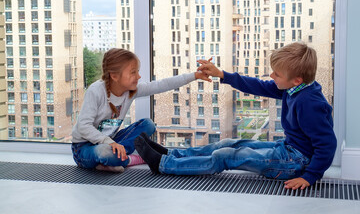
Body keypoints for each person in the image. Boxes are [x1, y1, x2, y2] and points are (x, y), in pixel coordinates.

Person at [135, 42, 337, 190]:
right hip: (288, 149)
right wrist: (222, 74)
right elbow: (257, 85)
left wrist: (310, 176)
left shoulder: (309, 103)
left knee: (226, 156)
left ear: (296, 80)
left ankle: (163, 165)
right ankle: (172, 154)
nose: (271, 76)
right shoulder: (295, 88)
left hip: (295, 164)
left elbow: (327, 144)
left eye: (276, 74)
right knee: (228, 143)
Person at [71, 48, 211, 172]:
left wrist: (195, 76)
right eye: (133, 72)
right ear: (114, 76)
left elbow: (162, 84)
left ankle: (115, 160)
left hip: (111, 142)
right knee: (105, 152)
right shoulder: (96, 91)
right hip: (84, 148)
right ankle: (134, 159)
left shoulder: (131, 90)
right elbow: (83, 126)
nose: (138, 76)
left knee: (148, 124)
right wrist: (109, 143)